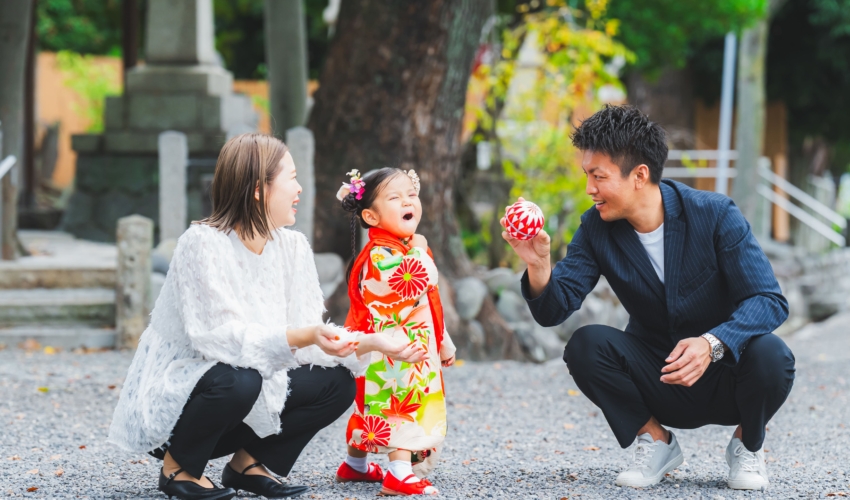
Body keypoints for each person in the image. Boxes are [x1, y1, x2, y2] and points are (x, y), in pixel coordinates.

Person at [107, 134, 425, 500]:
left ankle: (248, 464)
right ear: (259, 189)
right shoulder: (201, 243)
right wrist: (303, 336)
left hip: (248, 388)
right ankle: (179, 467)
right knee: (239, 378)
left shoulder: (293, 246)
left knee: (336, 382)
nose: (299, 188)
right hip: (181, 402)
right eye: (291, 177)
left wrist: (373, 342)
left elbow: (311, 338)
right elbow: (217, 339)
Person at [502, 105, 795, 490]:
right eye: (587, 175)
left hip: (727, 375)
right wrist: (539, 266)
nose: (589, 188)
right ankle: (655, 441)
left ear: (640, 175)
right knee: (585, 344)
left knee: (773, 355)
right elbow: (554, 310)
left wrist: (712, 344)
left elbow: (769, 299)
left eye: (599, 176)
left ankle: (747, 444)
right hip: (658, 378)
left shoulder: (715, 214)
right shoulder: (596, 227)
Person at [333, 168, 456, 496]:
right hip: (394, 348)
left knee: (372, 406)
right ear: (371, 216)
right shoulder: (381, 254)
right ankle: (399, 473)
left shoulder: (399, 247)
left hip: (406, 343)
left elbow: (428, 304)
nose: (408, 201)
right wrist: (420, 246)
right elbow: (415, 282)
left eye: (411, 195)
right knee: (401, 402)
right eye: (395, 197)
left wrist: (443, 341)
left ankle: (355, 465)